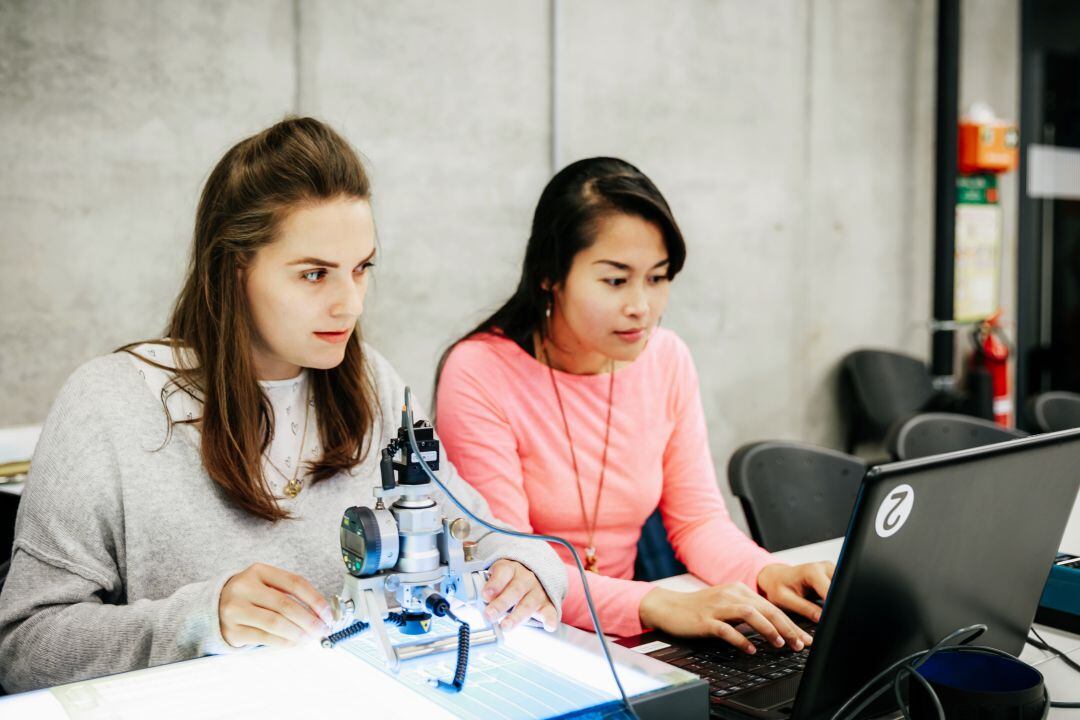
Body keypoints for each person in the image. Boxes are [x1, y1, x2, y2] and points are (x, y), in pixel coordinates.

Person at [0, 118, 565, 694]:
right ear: (234, 268)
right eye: (314, 274)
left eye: (361, 268)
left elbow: (479, 528)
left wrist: (528, 570)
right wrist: (200, 619)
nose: (349, 304)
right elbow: (22, 648)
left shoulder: (374, 380)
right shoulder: (108, 405)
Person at [435, 157, 831, 650]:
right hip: (521, 638)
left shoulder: (666, 359)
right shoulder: (479, 371)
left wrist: (770, 573)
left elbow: (697, 521)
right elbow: (511, 563)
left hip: (628, 639)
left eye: (658, 278)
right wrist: (654, 604)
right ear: (549, 275)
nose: (641, 307)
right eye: (616, 280)